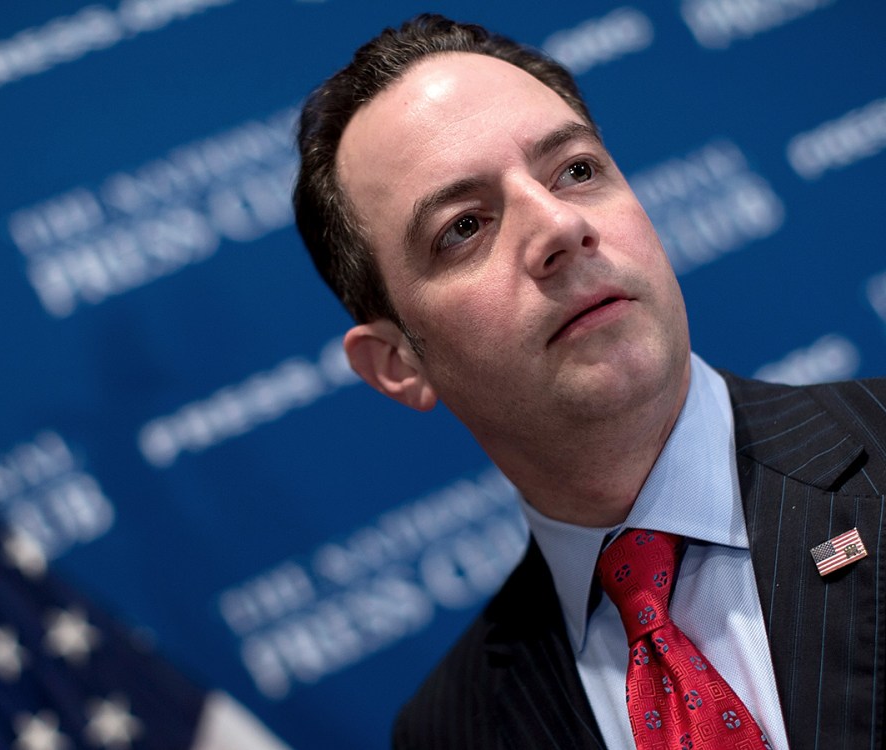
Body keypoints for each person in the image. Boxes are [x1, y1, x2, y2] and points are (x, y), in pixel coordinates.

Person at [293, 14, 886, 750]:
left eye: (576, 170)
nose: (559, 227)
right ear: (399, 364)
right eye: (464, 227)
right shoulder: (452, 732)